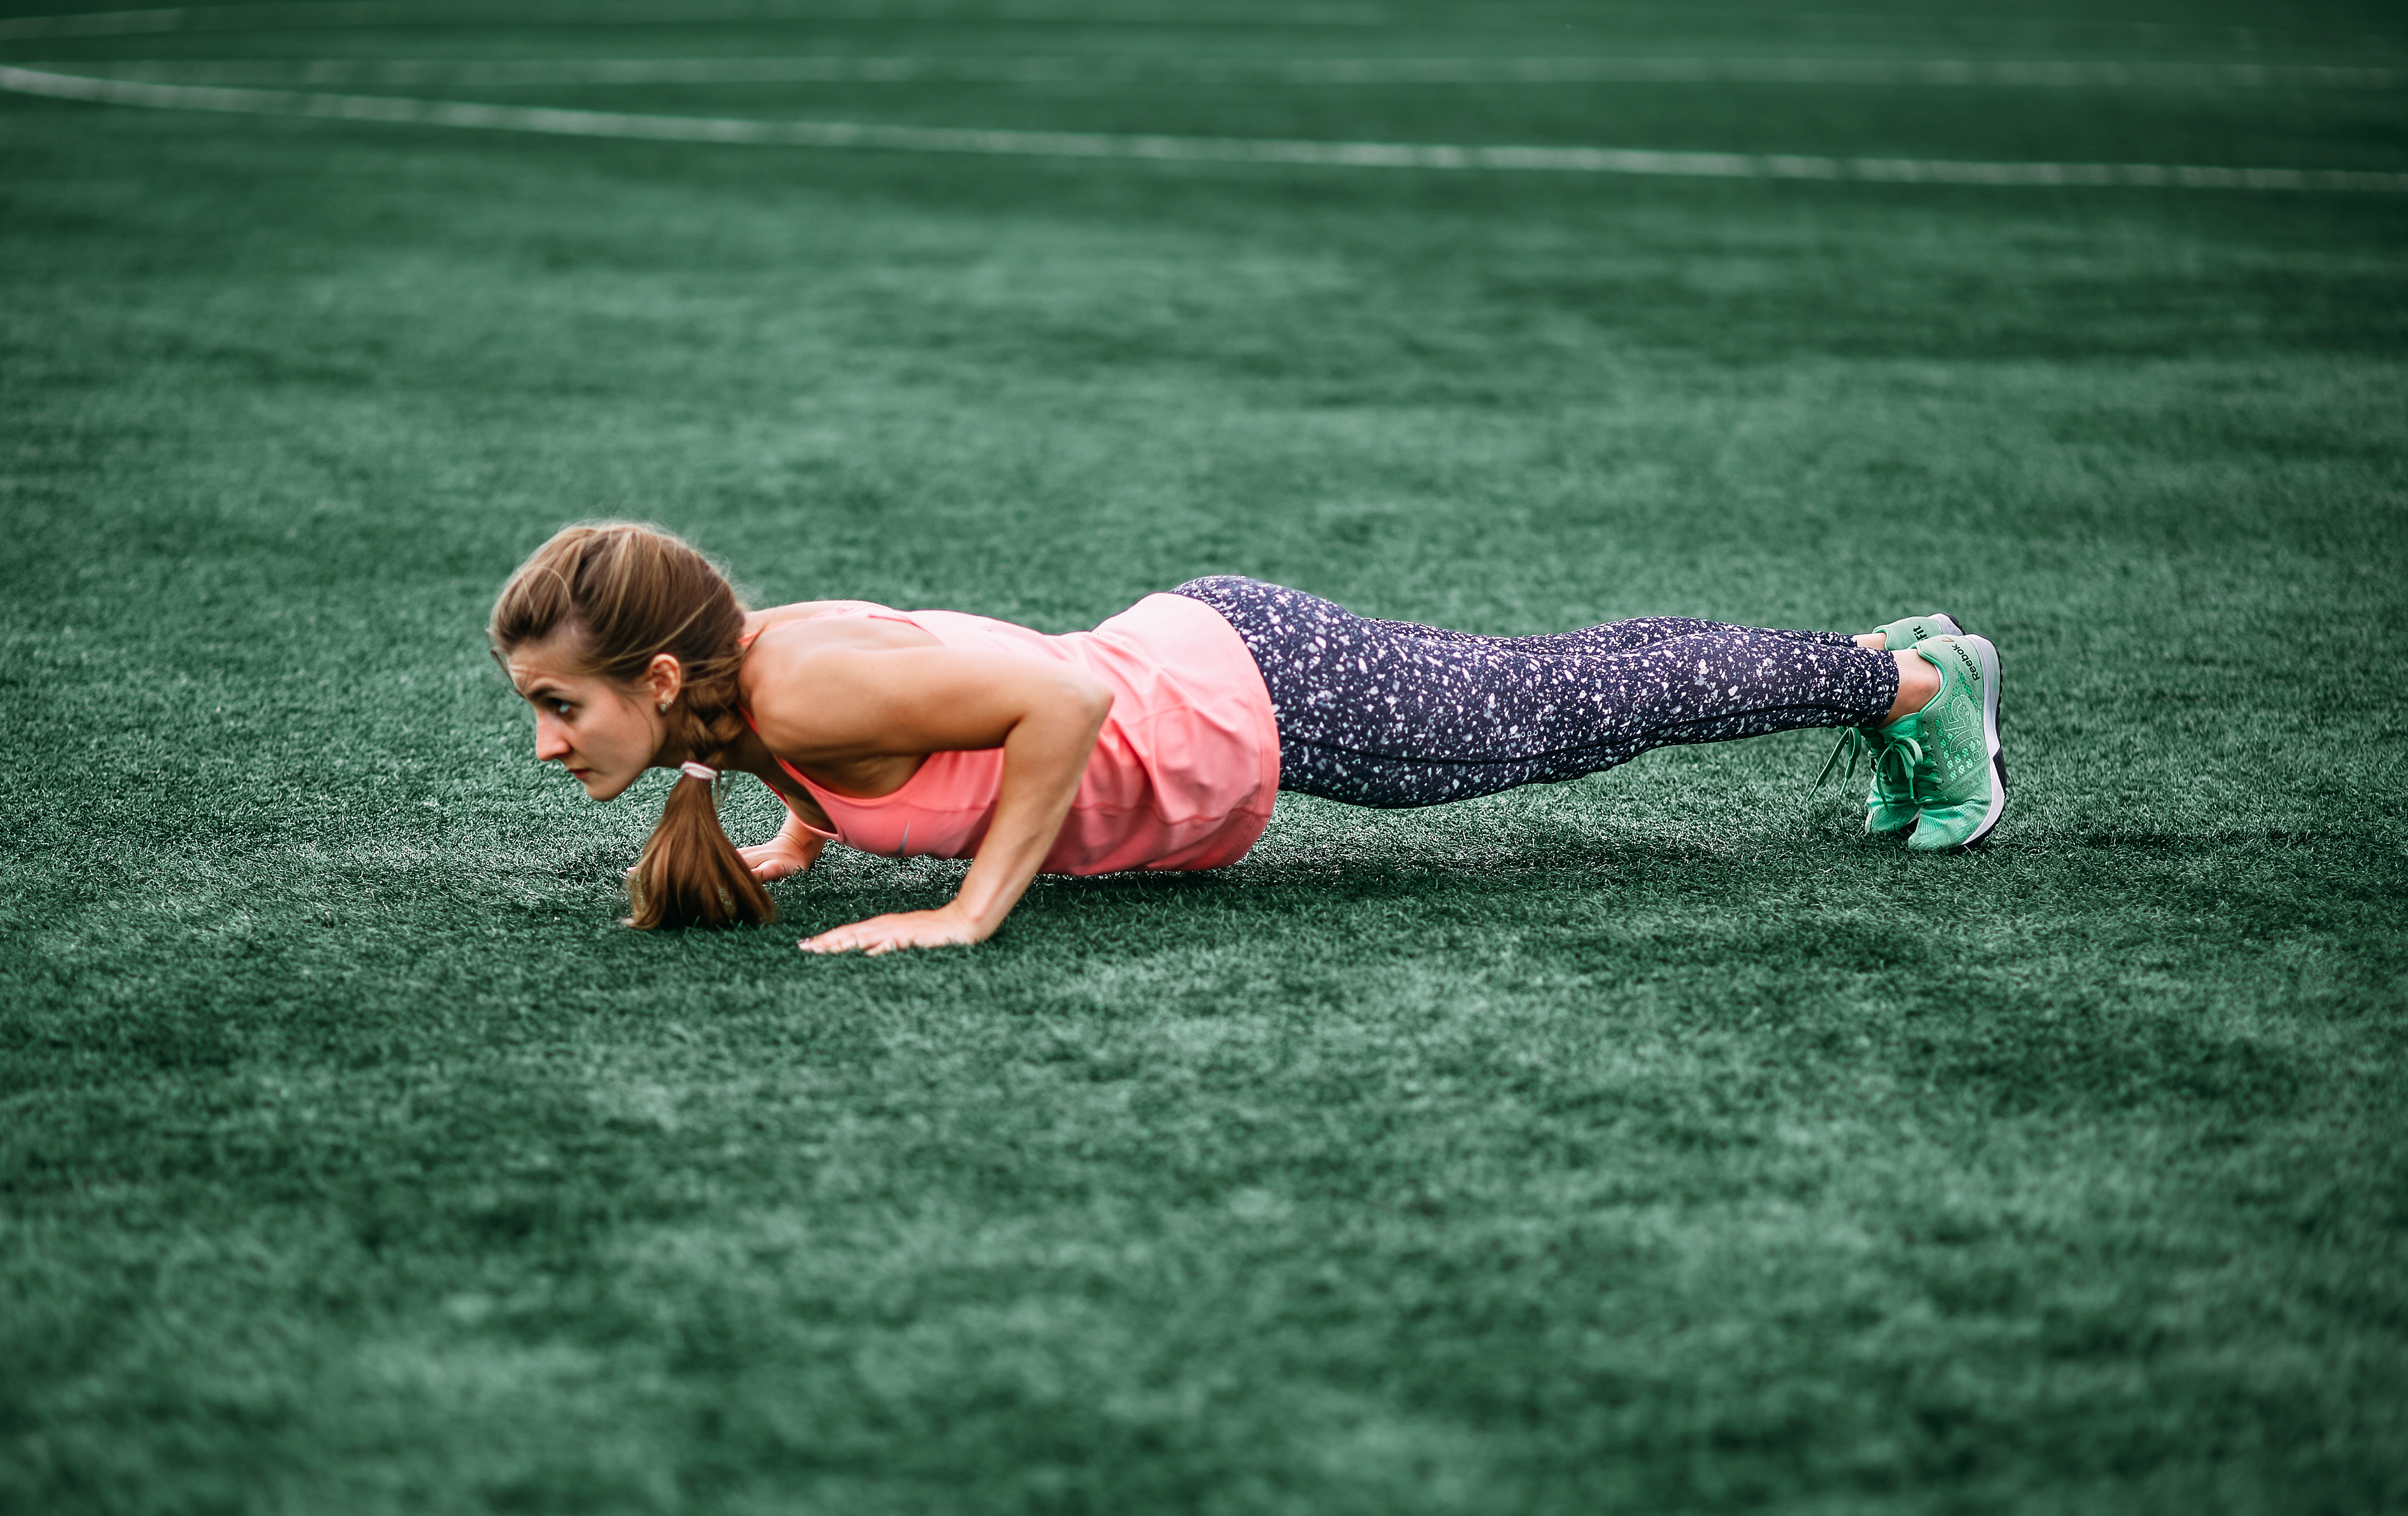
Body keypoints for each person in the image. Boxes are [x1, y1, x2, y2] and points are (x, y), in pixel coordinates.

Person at [490, 520, 2006, 954]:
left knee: (1555, 712)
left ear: (661, 669)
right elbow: (858, 746)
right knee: (1555, 685)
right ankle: (1874, 663)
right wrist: (797, 834)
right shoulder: (744, 698)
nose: (549, 740)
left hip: (1244, 692)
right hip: (1216, 656)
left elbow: (1058, 702)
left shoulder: (796, 684)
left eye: (561, 703)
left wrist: (967, 909)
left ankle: (1917, 698)